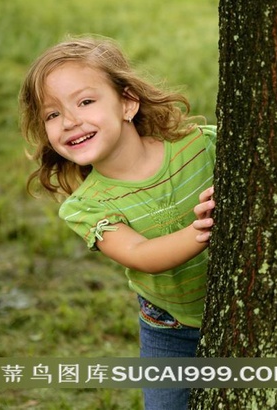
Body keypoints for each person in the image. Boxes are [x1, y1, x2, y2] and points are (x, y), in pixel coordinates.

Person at [19, 36, 216, 410]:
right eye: (52, 114)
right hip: (170, 329)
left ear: (127, 103)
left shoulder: (199, 147)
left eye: (86, 102)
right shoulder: (86, 206)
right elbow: (139, 253)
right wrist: (200, 231)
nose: (70, 121)